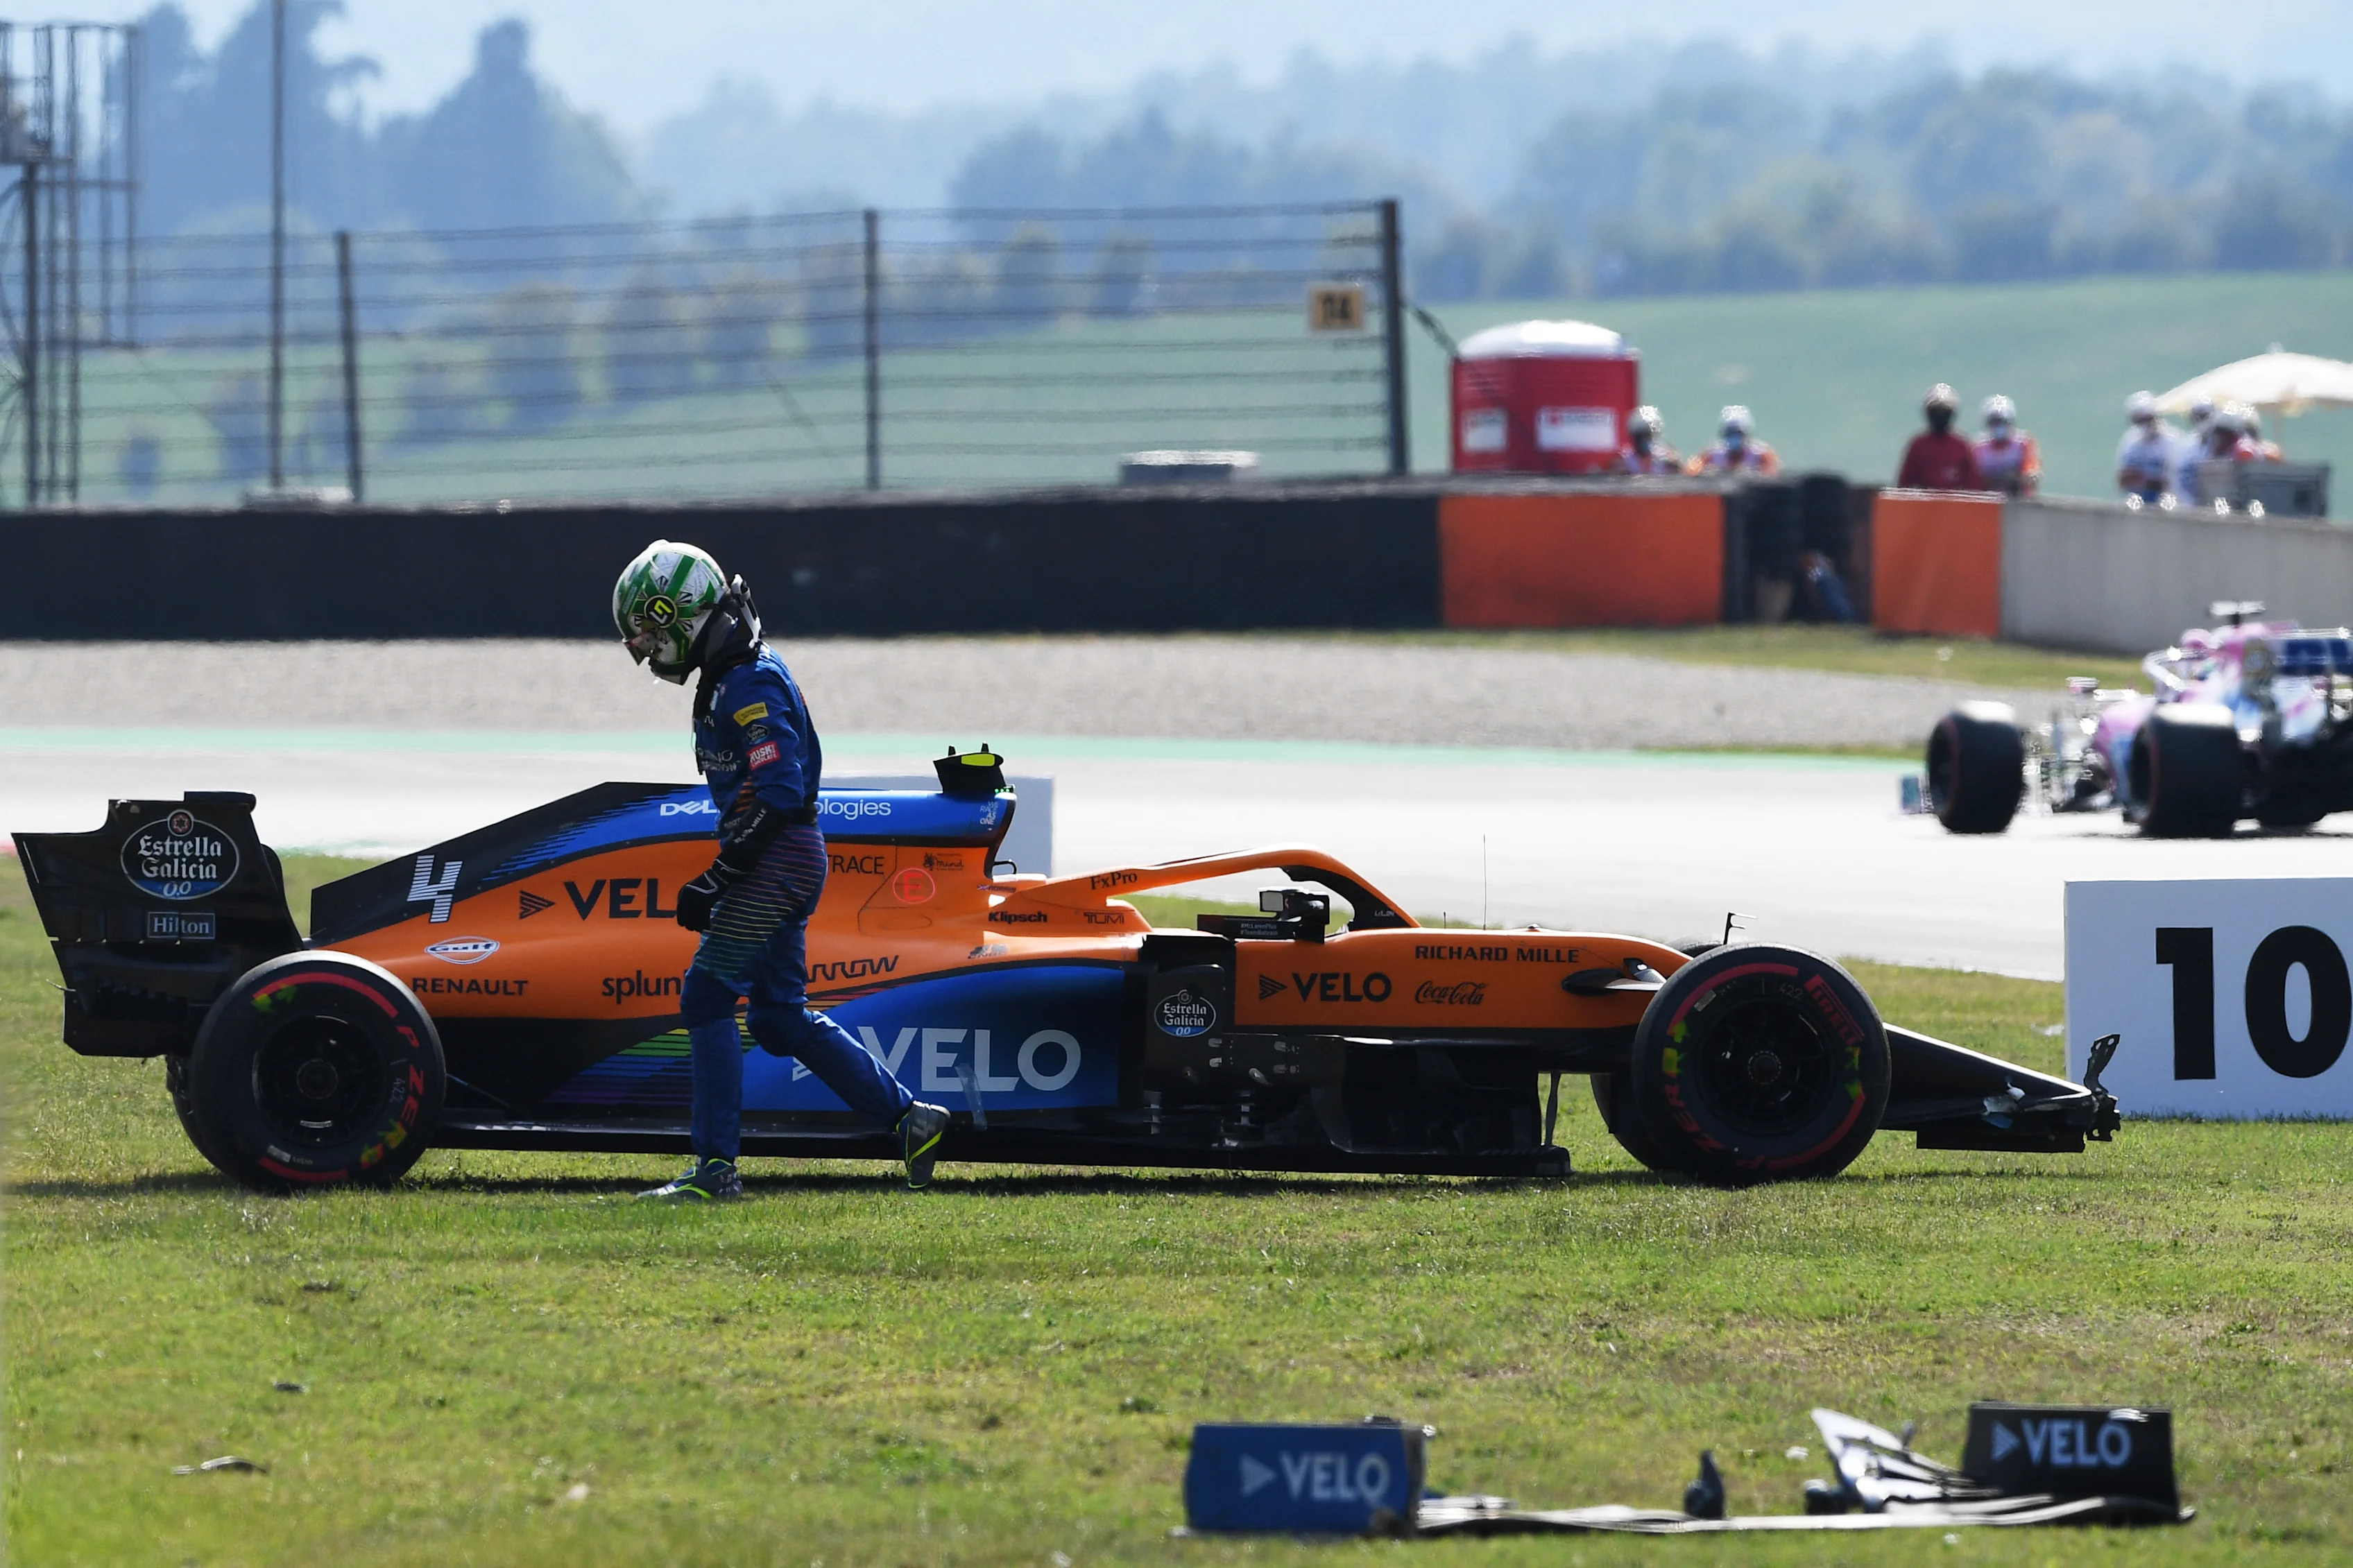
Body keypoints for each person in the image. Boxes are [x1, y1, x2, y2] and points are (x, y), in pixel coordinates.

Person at [612, 540, 950, 1201]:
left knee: (705, 996)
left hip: (779, 859)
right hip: (783, 858)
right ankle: (914, 1120)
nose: (649, 651)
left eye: (652, 632)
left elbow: (781, 793)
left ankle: (714, 1171)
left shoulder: (750, 681)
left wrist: (721, 874)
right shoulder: (732, 675)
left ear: (679, 614)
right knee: (776, 1017)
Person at [1895, 383, 1981, 490]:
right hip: (1923, 504)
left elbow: (1973, 486)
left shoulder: (1962, 446)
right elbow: (1904, 484)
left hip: (1955, 505)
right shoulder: (1918, 445)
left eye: (1944, 412)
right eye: (1936, 412)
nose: (1940, 416)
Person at [1972, 394, 2041, 497]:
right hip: (1987, 500)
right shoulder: (1979, 447)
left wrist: (2013, 479)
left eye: (2003, 421)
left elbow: (2032, 476)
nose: (1999, 426)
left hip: (2018, 500)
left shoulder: (2023, 444)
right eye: (1994, 422)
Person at [1687, 405, 1779, 476]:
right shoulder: (1712, 454)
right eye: (1730, 434)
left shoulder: (1761, 455)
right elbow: (1691, 471)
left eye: (1738, 434)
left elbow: (1772, 474)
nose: (1734, 438)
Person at [2116, 390, 2174, 503]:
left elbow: (2175, 480)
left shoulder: (2171, 441)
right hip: (2137, 501)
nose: (2145, 424)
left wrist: (2145, 480)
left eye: (2147, 419)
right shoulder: (2130, 442)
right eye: (2139, 420)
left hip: (2168, 501)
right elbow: (2123, 479)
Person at [1616, 405, 1682, 474]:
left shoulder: (1666, 460)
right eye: (1640, 437)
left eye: (1648, 435)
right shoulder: (1625, 461)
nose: (1644, 441)